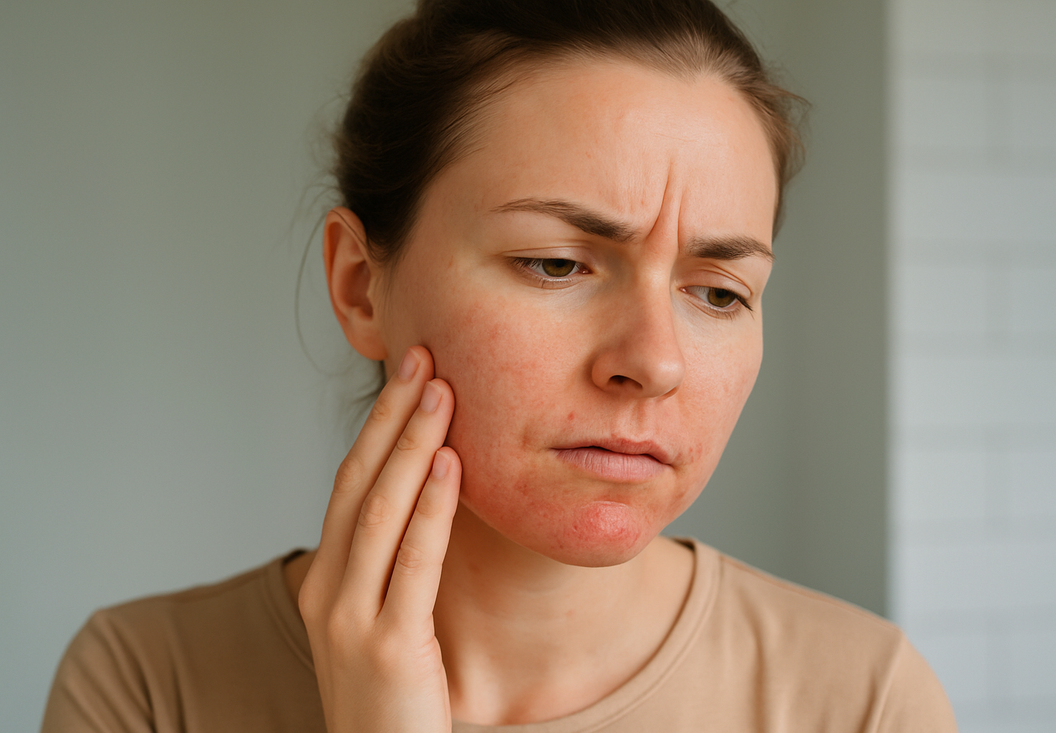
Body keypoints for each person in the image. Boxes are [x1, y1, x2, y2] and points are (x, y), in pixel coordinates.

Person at [42, 0, 958, 731]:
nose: (654, 362)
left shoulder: (864, 701)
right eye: (556, 263)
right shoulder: (144, 687)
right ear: (363, 286)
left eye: (719, 291)